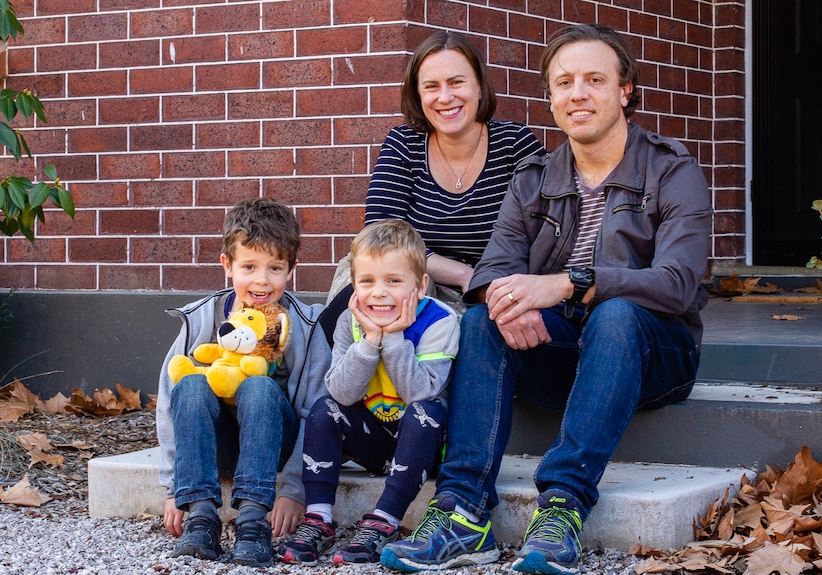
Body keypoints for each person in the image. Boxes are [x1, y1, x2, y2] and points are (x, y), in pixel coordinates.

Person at [381, 24, 712, 575]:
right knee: (482, 322)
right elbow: (491, 270)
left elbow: (678, 282)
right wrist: (506, 302)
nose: (577, 94)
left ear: (625, 89)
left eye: (594, 80)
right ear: (551, 97)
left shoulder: (671, 169)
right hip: (565, 348)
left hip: (656, 352)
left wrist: (566, 283)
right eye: (564, 83)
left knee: (616, 313)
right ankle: (463, 510)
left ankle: (561, 506)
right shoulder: (535, 175)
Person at [321, 30, 545, 338]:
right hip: (406, 275)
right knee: (357, 299)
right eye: (431, 87)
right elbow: (380, 234)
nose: (444, 97)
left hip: (486, 290)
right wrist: (465, 274)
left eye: (456, 82)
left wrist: (481, 281)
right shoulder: (404, 143)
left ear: (479, 86)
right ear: (418, 95)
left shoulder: (515, 145)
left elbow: (543, 235)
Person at [156, 197, 332, 567]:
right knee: (189, 384)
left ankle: (253, 521)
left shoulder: (304, 325)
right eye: (249, 266)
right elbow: (168, 399)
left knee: (258, 386)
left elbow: (316, 410)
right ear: (227, 265)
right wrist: (174, 487)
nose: (262, 280)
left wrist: (294, 489)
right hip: (214, 443)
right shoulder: (201, 317)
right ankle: (202, 517)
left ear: (291, 269)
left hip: (272, 444)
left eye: (275, 268)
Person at [277, 219, 459, 566]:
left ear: (420, 286)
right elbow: (342, 393)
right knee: (324, 408)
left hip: (423, 445)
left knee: (426, 413)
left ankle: (384, 520)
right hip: (373, 438)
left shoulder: (440, 321)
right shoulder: (351, 321)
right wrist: (371, 340)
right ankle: (318, 519)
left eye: (394, 281)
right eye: (367, 282)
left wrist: (393, 338)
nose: (379, 293)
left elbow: (420, 391)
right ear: (354, 287)